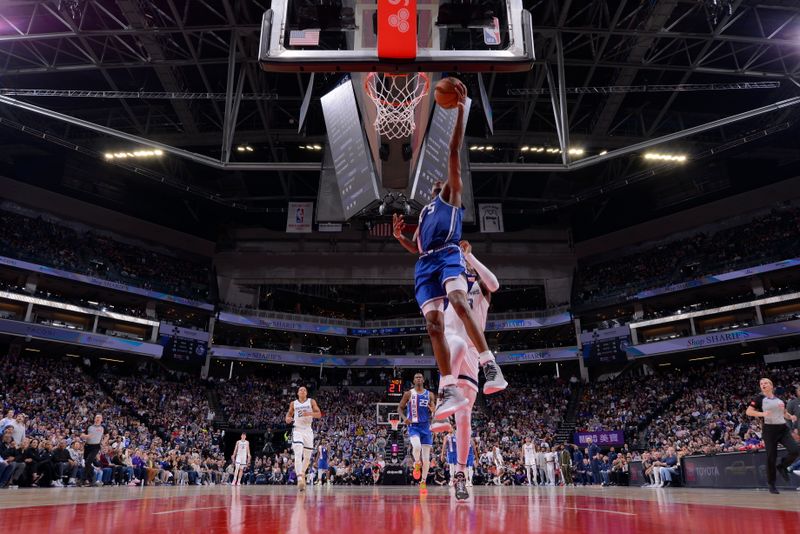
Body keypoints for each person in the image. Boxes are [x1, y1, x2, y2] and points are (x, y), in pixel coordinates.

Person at [392, 77, 506, 420]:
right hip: (425, 262)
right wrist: (402, 239)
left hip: (449, 254)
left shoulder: (452, 198)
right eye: (436, 183)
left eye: (443, 180)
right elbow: (418, 248)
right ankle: (448, 387)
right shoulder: (425, 211)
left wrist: (458, 111)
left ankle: (489, 365)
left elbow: (453, 151)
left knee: (458, 301)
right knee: (433, 327)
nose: (438, 182)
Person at [442, 239, 501, 499]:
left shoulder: (478, 288)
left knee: (464, 416)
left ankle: (460, 474)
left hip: (473, 353)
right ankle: (441, 405)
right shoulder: (450, 286)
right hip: (451, 349)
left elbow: (494, 284)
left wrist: (471, 258)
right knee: (455, 348)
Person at [745, 377, 800, 494]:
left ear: (771, 385)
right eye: (761, 383)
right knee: (771, 458)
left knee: (795, 450)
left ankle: (782, 466)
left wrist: (791, 417)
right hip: (769, 431)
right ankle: (772, 484)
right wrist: (762, 413)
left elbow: (784, 413)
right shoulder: (759, 398)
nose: (763, 384)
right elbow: (748, 412)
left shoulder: (779, 400)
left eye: (765, 383)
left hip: (783, 429)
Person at [398, 373, 436, 494]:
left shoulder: (430, 394)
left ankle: (423, 482)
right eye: (416, 377)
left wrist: (433, 410)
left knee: (427, 459)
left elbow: (434, 409)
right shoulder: (408, 393)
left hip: (426, 426)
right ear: (414, 381)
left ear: (423, 380)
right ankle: (416, 463)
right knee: (417, 446)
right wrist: (404, 418)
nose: (419, 378)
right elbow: (399, 408)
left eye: (420, 377)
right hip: (413, 426)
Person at [285, 386, 322, 491]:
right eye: (300, 390)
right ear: (298, 393)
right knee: (298, 452)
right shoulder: (293, 403)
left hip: (308, 430)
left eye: (304, 390)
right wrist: (287, 418)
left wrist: (309, 413)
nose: (302, 391)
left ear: (306, 393)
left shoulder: (311, 402)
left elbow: (319, 414)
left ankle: (302, 472)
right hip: (297, 429)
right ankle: (300, 478)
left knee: (307, 457)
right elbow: (289, 414)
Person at [80, 414, 104, 487]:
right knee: (87, 463)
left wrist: (104, 441)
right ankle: (92, 479)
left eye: (99, 417)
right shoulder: (89, 426)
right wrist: (86, 436)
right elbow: (81, 435)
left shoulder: (103, 428)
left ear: (101, 420)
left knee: (88, 462)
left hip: (96, 446)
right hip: (87, 446)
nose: (97, 418)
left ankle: (83, 480)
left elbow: (107, 435)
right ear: (94, 419)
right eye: (96, 417)